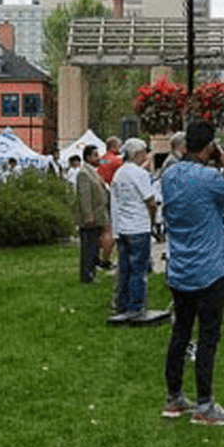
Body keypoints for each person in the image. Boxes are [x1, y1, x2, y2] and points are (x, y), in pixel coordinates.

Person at [160, 122, 224, 425]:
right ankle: (205, 406)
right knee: (208, 338)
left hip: (180, 268)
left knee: (180, 334)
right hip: (209, 270)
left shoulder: (168, 175)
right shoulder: (210, 178)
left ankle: (174, 399)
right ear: (210, 147)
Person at [110, 138, 161, 322]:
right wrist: (154, 219)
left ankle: (122, 304)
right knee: (139, 270)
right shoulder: (139, 174)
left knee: (125, 269)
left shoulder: (119, 173)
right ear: (138, 154)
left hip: (124, 228)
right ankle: (136, 307)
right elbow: (151, 201)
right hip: (139, 227)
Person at [74, 145, 110, 284]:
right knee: (88, 247)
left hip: (98, 216)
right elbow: (85, 196)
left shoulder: (94, 172)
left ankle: (92, 273)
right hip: (91, 218)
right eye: (95, 155)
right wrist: (88, 215)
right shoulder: (84, 173)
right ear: (88, 157)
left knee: (94, 247)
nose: (98, 158)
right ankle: (87, 275)